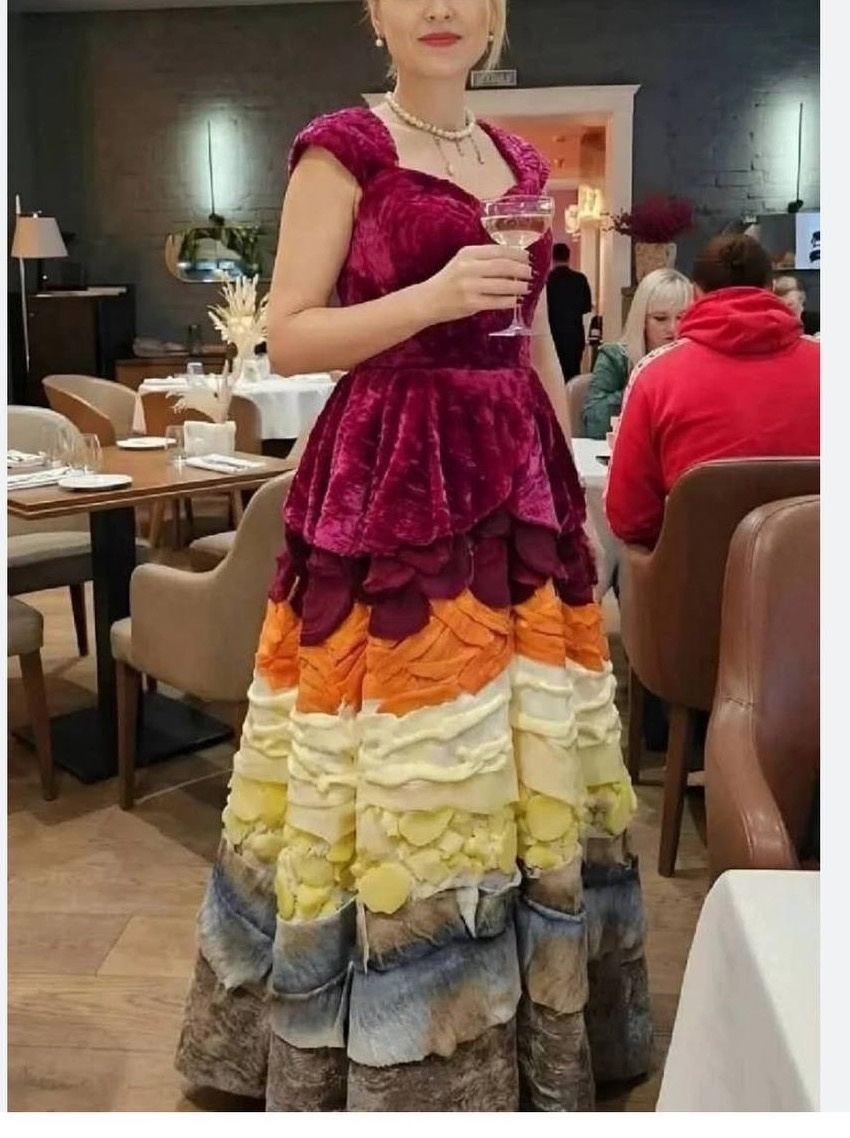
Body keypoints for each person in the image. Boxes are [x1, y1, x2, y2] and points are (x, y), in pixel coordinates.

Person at [175, 0, 651, 1112]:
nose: (441, 8)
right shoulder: (342, 150)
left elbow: (532, 339)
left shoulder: (518, 161)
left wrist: (569, 495)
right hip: (391, 472)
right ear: (375, 16)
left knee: (523, 745)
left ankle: (524, 1025)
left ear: (494, 17)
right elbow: (291, 332)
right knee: (401, 755)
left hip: (516, 481)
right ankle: (396, 1042)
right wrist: (428, 299)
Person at [605, 235, 820, 549]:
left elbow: (628, 517)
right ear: (771, 288)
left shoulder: (656, 376)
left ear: (695, 294)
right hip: (814, 570)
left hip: (691, 575)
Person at [582, 267, 693, 439]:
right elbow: (594, 423)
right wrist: (643, 387)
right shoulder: (616, 357)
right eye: (660, 318)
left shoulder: (699, 361)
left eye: (681, 317)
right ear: (642, 320)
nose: (673, 329)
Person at [546, 241, 592, 381]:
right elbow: (586, 307)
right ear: (568, 257)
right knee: (573, 373)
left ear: (552, 258)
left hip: (553, 334)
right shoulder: (580, 279)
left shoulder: (547, 280)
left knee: (554, 375)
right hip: (574, 334)